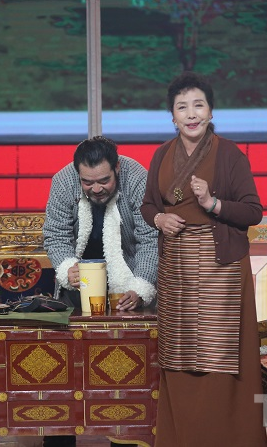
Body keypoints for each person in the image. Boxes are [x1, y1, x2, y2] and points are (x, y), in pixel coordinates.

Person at [140, 72, 267, 447]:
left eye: (199, 105)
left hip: (220, 268)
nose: (191, 114)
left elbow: (253, 212)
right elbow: (148, 205)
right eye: (183, 107)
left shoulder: (229, 154)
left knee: (220, 357)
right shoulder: (162, 155)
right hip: (176, 266)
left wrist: (212, 203)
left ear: (211, 112)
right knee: (178, 356)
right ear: (173, 117)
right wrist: (159, 219)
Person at [42, 136, 159, 447]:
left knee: (129, 372)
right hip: (78, 285)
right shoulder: (63, 181)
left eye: (104, 180)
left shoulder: (138, 178)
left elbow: (150, 239)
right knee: (63, 373)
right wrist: (67, 267)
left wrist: (140, 286)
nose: (96, 189)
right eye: (88, 182)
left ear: (117, 168)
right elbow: (55, 235)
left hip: (128, 284)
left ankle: (127, 439)